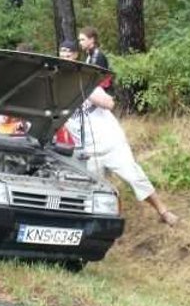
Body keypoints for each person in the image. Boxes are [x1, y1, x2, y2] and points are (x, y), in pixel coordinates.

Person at [59, 40, 179, 227]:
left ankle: (163, 211)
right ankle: (102, 226)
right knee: (93, 192)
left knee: (135, 177)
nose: (65, 58)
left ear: (75, 56)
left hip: (111, 144)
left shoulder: (86, 80)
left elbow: (109, 103)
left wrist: (88, 93)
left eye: (68, 54)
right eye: (62, 54)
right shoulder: (58, 87)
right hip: (87, 152)